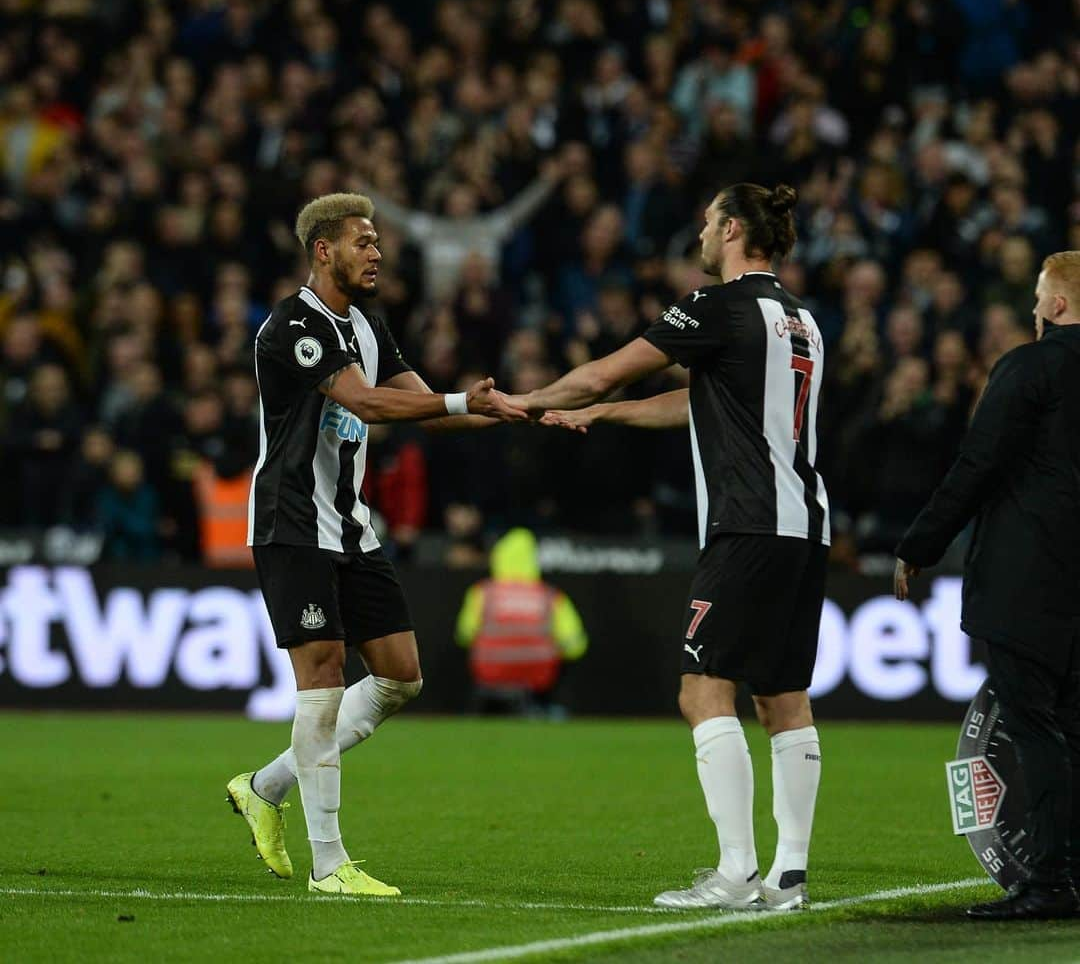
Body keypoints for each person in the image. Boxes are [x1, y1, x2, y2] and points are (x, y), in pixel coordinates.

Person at [519, 182, 830, 911]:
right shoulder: (801, 320)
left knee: (701, 687)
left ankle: (734, 872)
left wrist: (526, 402)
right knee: (783, 696)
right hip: (804, 525)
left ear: (729, 231)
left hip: (745, 525)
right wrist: (606, 414)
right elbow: (698, 403)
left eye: (706, 220)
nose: (698, 230)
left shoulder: (715, 305)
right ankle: (788, 876)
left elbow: (606, 367)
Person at [226, 193, 525, 897]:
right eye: (363, 242)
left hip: (351, 528)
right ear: (322, 250)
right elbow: (368, 403)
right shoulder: (293, 325)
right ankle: (329, 865)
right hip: (293, 524)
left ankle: (264, 786)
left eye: (378, 243)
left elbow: (419, 405)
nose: (377, 253)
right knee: (324, 679)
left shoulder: (368, 322)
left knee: (400, 675)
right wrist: (458, 402)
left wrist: (514, 410)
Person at [895, 251, 1080, 921]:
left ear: (1057, 305)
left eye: (1038, 297)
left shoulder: (1030, 366)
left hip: (1029, 579)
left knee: (1034, 725)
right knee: (1071, 727)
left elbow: (978, 463)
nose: (1034, 309)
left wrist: (920, 544)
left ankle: (1050, 880)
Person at [456, 527, 587, 716]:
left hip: (490, 672)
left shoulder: (482, 593)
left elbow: (464, 635)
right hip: (538, 675)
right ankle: (545, 707)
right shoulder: (550, 596)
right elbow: (575, 646)